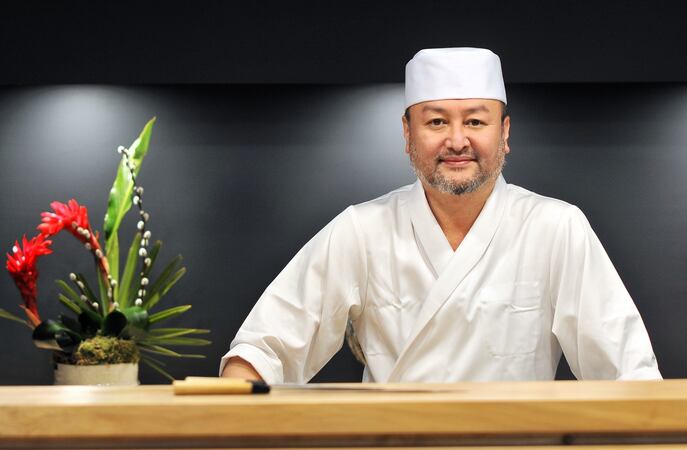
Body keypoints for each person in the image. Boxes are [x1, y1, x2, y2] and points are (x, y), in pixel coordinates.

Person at [220, 47, 661, 383]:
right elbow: (264, 347)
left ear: (504, 133)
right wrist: (241, 394)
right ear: (407, 134)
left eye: (475, 121)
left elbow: (628, 369)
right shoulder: (362, 229)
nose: (456, 140)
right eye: (435, 123)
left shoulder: (556, 227)